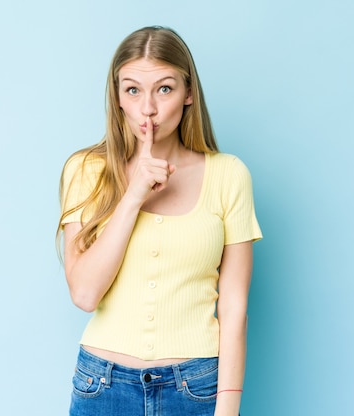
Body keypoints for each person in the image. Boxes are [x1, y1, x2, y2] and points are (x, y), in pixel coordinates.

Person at [56, 26, 262, 416]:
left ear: (188, 94)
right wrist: (133, 194)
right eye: (132, 90)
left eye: (164, 89)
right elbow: (84, 294)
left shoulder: (229, 175)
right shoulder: (86, 171)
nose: (147, 109)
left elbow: (235, 310)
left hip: (196, 387)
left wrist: (228, 408)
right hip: (103, 386)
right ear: (118, 98)